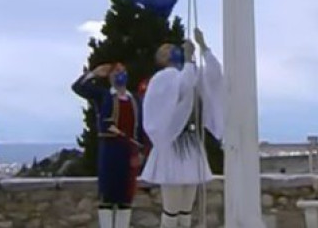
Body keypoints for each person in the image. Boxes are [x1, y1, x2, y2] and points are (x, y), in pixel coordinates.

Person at [139, 29, 223, 228]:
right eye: (166, 49)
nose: (172, 49)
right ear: (161, 59)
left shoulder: (189, 72)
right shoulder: (162, 79)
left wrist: (204, 47)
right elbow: (184, 86)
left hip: (191, 144)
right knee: (172, 208)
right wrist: (188, 60)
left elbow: (214, 74)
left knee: (186, 208)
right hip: (172, 145)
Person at [73, 63, 142, 228]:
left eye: (123, 71)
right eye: (116, 71)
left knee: (126, 197)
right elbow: (78, 87)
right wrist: (94, 74)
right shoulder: (104, 96)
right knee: (107, 196)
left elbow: (141, 128)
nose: (120, 74)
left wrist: (142, 151)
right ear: (110, 76)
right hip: (110, 151)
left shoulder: (134, 99)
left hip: (129, 152)